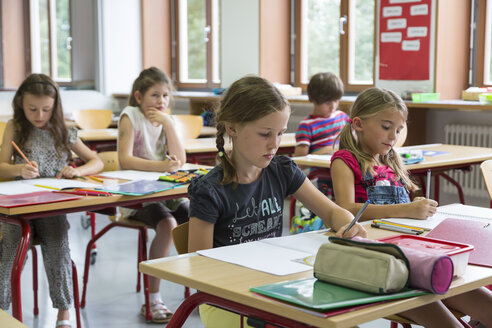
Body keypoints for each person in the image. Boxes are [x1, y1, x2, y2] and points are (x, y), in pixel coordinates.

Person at [187, 75, 367, 328]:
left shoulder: (282, 170)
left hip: (275, 286)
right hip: (226, 300)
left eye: (281, 133)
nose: (274, 144)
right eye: (265, 134)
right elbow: (197, 269)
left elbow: (333, 213)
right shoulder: (210, 191)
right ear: (232, 127)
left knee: (344, 322)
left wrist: (348, 223)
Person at [331, 87, 492, 327]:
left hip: (407, 248)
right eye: (386, 127)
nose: (393, 136)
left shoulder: (390, 161)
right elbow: (346, 211)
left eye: (398, 129)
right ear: (358, 123)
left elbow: (400, 211)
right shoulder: (345, 161)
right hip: (377, 261)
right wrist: (404, 209)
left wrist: (414, 206)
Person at [0, 73, 104, 328]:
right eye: (32, 109)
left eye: (46, 109)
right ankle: (2, 310)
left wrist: (77, 170)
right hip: (19, 204)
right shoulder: (15, 126)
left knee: (58, 246)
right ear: (20, 105)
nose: (39, 115)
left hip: (51, 204)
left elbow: (97, 161)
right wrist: (17, 171)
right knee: (10, 249)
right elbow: (1, 167)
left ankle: (63, 314)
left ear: (55, 106)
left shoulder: (64, 129)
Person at [118, 66, 189, 324]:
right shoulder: (130, 116)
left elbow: (180, 160)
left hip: (164, 191)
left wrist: (169, 123)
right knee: (168, 224)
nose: (161, 102)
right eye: (155, 96)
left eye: (166, 96)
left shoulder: (164, 119)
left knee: (196, 217)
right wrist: (160, 166)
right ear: (139, 97)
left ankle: (205, 289)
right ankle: (154, 298)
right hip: (134, 195)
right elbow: (124, 159)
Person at [294, 72, 348, 198]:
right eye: (328, 103)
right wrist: (325, 151)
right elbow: (299, 162)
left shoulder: (342, 117)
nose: (333, 106)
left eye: (336, 100)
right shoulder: (306, 125)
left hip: (346, 169)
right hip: (323, 177)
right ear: (313, 100)